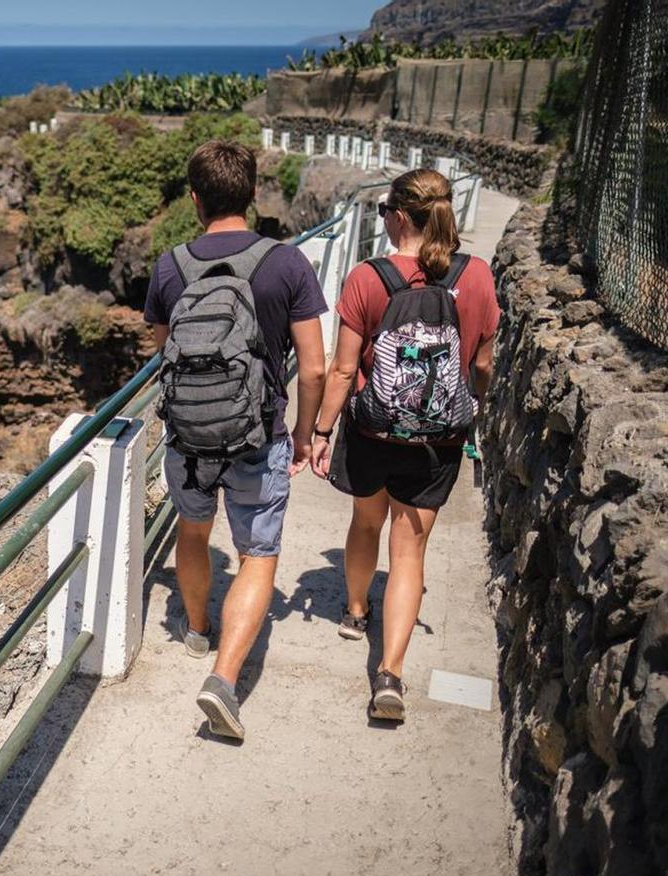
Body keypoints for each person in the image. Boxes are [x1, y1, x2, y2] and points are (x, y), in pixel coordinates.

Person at [145, 138, 327, 741]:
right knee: (257, 554)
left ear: (194, 198)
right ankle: (224, 681)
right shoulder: (287, 263)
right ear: (253, 194)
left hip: (188, 438)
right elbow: (315, 365)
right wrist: (304, 434)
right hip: (261, 433)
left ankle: (197, 630)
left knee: (193, 533)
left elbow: (162, 351)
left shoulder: (170, 266)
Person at [310, 168, 499, 722]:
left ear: (395, 216)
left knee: (366, 523)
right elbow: (482, 366)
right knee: (410, 551)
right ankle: (390, 673)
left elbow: (344, 371)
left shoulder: (368, 278)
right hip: (439, 440)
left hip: (372, 432)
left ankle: (352, 611)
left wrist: (321, 433)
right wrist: (473, 404)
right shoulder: (478, 277)